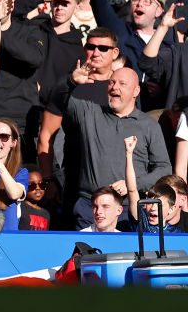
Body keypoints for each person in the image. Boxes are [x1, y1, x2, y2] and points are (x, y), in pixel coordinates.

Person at [58, 64, 171, 229]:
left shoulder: (149, 125)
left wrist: (132, 184)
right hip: (91, 209)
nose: (114, 87)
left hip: (128, 210)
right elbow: (55, 99)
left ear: (136, 91)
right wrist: (70, 81)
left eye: (122, 84)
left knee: (125, 255)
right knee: (87, 254)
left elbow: (164, 168)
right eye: (111, 82)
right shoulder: (89, 113)